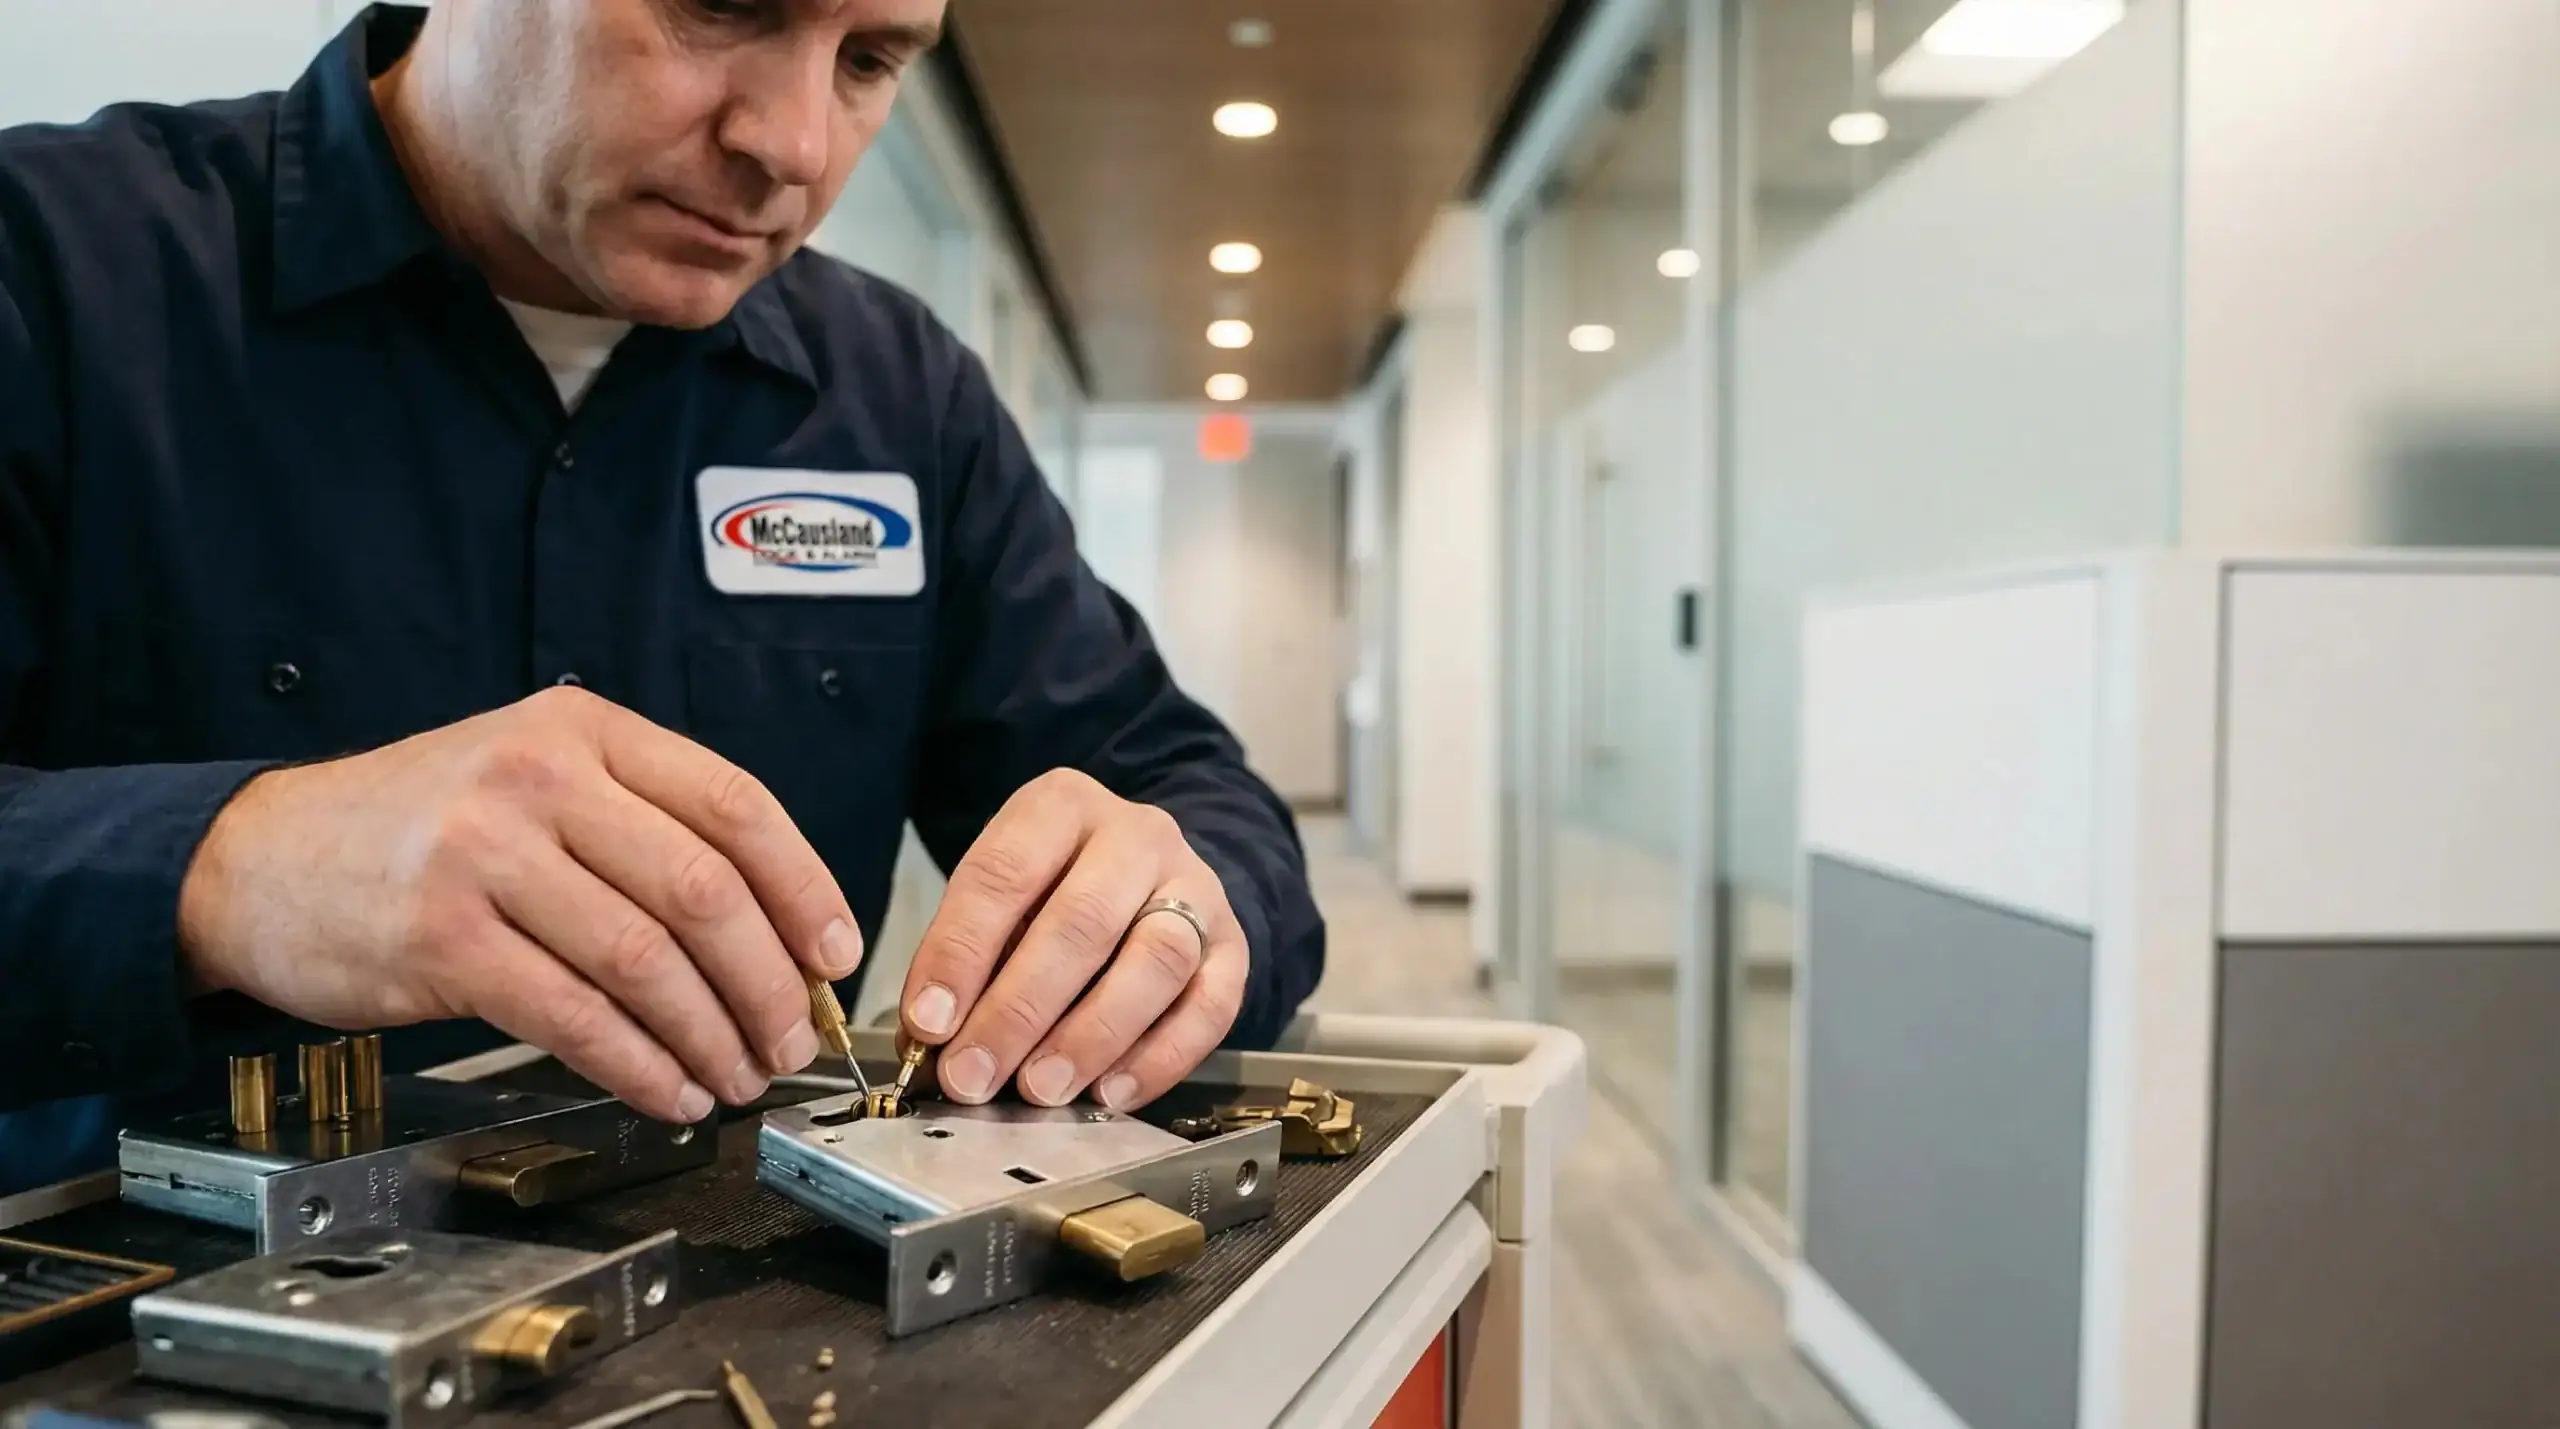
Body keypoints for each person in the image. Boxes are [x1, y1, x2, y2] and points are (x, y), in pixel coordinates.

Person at [0, 0, 1324, 1195]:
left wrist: (1171, 914)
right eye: (722, 8)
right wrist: (228, 868)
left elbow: (1197, 802)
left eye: (869, 61)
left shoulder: (896, 397)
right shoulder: (54, 274)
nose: (795, 144)